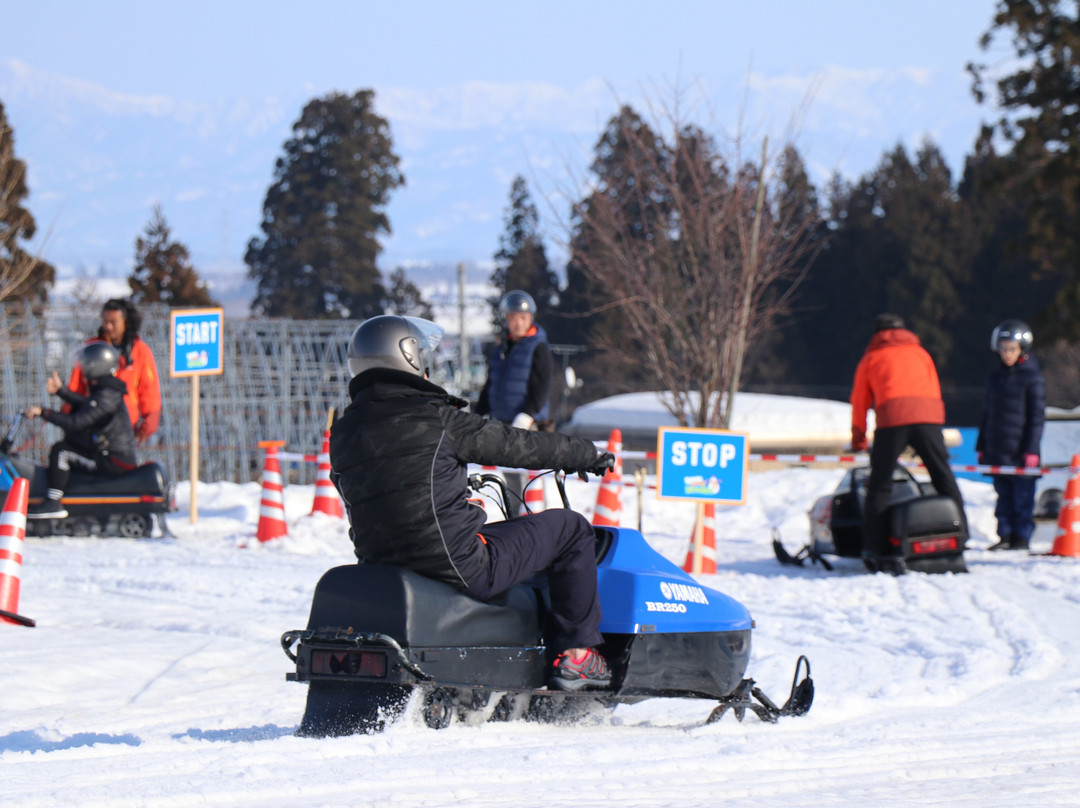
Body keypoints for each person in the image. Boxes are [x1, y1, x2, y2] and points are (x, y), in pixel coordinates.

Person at [330, 314, 615, 691]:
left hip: (383, 565)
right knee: (570, 528)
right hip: (457, 564)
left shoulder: (344, 431)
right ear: (409, 360)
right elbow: (518, 444)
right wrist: (584, 453)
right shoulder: (437, 420)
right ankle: (577, 655)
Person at [849, 313, 967, 573]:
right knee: (942, 475)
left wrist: (858, 438)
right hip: (928, 417)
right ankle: (962, 533)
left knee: (880, 483)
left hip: (892, 418)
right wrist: (934, 422)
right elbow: (934, 388)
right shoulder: (921, 353)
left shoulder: (872, 357)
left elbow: (859, 401)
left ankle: (873, 547)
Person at [24, 341, 138, 519]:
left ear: (95, 366)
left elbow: (77, 422)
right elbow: (87, 405)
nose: (83, 369)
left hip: (113, 461)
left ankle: (53, 502)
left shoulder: (106, 395)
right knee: (70, 443)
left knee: (61, 451)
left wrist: (43, 412)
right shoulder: (107, 390)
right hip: (110, 456)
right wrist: (62, 392)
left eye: (86, 364)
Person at [976, 319, 1046, 552]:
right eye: (1003, 349)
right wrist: (982, 445)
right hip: (998, 449)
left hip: (1021, 452)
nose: (1007, 354)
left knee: (1022, 498)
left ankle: (1021, 537)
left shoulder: (1032, 379)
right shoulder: (994, 379)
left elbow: (1036, 417)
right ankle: (1005, 535)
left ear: (1022, 350)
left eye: (1012, 349)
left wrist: (1032, 449)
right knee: (1003, 496)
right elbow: (987, 414)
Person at [66, 298, 162, 445]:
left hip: (124, 428)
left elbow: (149, 392)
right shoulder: (92, 348)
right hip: (91, 424)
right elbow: (75, 385)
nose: (108, 326)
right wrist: (67, 416)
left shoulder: (140, 351)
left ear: (126, 322)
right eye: (105, 322)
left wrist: (147, 427)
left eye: (113, 322)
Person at [476, 290, 554, 431]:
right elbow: (491, 384)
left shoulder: (538, 347)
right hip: (501, 424)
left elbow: (543, 386)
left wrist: (527, 415)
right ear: (506, 320)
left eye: (523, 318)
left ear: (531, 318)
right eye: (513, 318)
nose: (518, 323)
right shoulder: (501, 349)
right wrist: (477, 414)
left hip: (528, 425)